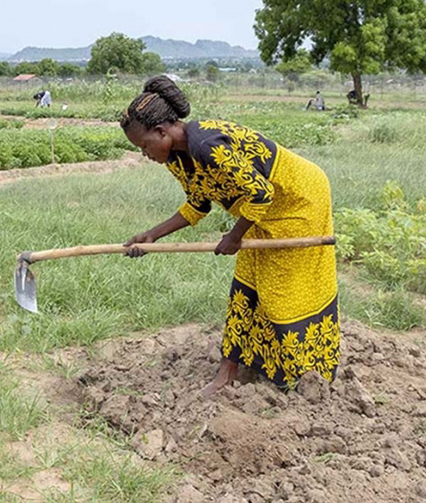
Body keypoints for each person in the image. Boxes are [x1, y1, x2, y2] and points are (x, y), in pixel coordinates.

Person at [119, 75, 340, 395]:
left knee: (281, 291)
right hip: (261, 211)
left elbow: (261, 194)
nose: (145, 154)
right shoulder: (177, 157)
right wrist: (152, 235)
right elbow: (198, 205)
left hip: (298, 200)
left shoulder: (207, 145)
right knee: (246, 285)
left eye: (143, 146)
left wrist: (235, 237)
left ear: (162, 131)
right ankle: (229, 371)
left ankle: (302, 375)